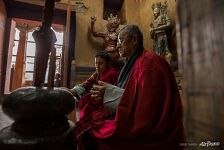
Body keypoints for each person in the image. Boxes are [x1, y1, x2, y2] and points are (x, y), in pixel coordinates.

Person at [84, 25, 184, 150]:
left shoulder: (149, 63)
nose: (117, 45)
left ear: (134, 40)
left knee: (95, 136)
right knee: (90, 120)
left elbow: (147, 107)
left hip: (154, 129)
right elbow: (134, 94)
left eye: (121, 40)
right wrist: (110, 91)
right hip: (136, 117)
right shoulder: (132, 62)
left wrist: (110, 93)